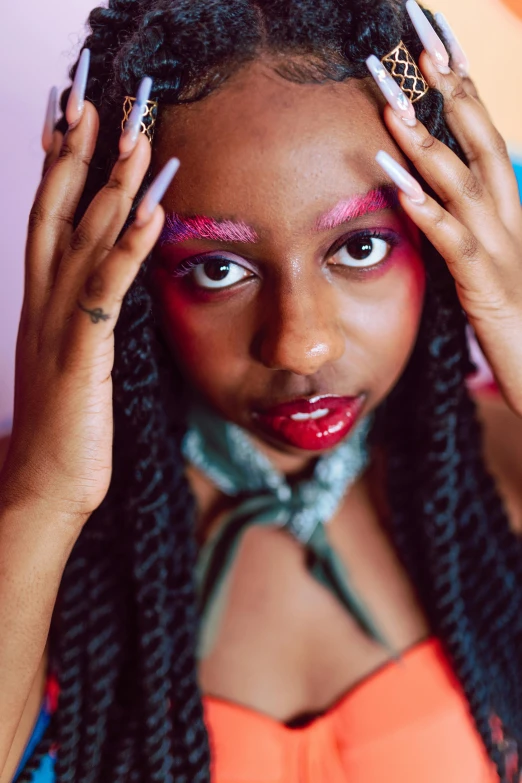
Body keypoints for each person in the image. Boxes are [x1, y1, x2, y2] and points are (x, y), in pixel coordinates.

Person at [1, 0, 522, 780]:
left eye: (361, 244)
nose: (299, 341)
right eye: (217, 268)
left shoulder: (508, 464)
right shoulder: (31, 522)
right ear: (130, 273)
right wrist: (43, 498)